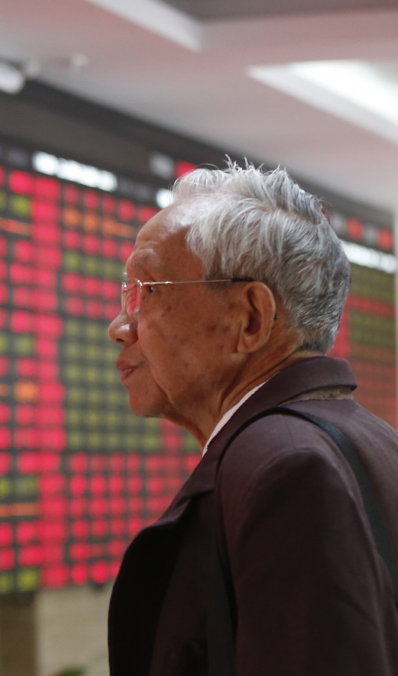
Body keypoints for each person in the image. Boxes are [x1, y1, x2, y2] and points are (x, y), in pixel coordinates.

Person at [106, 163, 398, 675]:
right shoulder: (374, 440)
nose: (119, 325)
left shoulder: (284, 469)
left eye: (148, 290)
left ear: (250, 319)